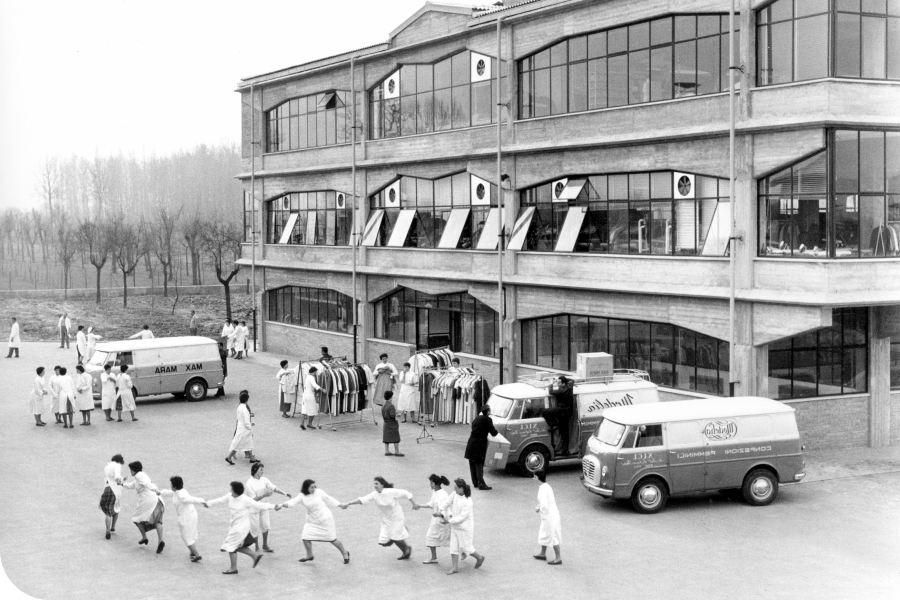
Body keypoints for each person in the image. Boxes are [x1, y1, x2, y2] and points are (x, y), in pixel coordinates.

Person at [203, 481, 274, 575]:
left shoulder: (245, 499)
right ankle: (255, 556)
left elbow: (260, 505)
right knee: (238, 546)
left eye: (231, 489)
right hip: (235, 526)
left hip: (241, 528)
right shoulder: (230, 496)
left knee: (231, 546)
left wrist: (275, 506)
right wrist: (208, 503)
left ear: (236, 492)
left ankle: (233, 568)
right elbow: (220, 500)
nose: (230, 490)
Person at [340, 476, 415, 560]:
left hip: (397, 516)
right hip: (386, 518)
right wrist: (348, 503)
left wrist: (414, 504)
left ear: (382, 484)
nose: (375, 485)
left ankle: (406, 549)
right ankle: (402, 531)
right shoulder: (374, 495)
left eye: (377, 483)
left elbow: (406, 493)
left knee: (394, 536)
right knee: (384, 543)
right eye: (374, 484)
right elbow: (362, 500)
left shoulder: (390, 492)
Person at [275, 479, 350, 564]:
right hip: (312, 521)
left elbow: (329, 499)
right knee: (305, 537)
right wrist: (281, 505)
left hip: (325, 519)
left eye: (315, 486)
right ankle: (309, 555)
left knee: (332, 539)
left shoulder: (319, 492)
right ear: (306, 488)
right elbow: (292, 502)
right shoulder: (302, 496)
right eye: (312, 487)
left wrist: (340, 505)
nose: (314, 489)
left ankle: (345, 552)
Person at [245, 463, 291, 553]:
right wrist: (264, 495)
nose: (262, 471)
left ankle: (265, 545)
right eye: (261, 469)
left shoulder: (264, 479)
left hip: (264, 506)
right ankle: (257, 547)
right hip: (254, 508)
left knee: (265, 526)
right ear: (255, 470)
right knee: (255, 528)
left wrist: (284, 493)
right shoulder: (249, 484)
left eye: (263, 469)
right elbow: (253, 500)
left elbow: (273, 488)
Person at [442, 478, 485, 574]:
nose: (454, 490)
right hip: (455, 526)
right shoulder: (455, 493)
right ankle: (455, 567)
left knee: (466, 548)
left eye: (456, 488)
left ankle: (479, 557)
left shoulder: (468, 501)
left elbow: (461, 518)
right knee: (453, 547)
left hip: (465, 528)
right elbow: (447, 501)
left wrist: (449, 521)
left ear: (462, 488)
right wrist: (440, 509)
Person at [159, 476, 206, 562]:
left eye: (171, 484)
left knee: (185, 536)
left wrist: (202, 501)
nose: (170, 486)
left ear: (175, 486)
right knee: (190, 534)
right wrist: (159, 492)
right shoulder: (179, 492)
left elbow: (191, 499)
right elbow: (169, 493)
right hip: (191, 514)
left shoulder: (181, 496)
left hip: (186, 517)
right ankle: (192, 552)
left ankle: (196, 554)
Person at [122, 461, 166, 553]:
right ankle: (160, 541)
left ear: (134, 470)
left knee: (136, 519)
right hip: (157, 499)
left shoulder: (139, 476)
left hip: (148, 500)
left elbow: (147, 484)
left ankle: (144, 537)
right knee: (157, 521)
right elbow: (131, 485)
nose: (130, 471)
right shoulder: (140, 476)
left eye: (131, 470)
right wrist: (121, 484)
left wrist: (156, 489)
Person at [414, 474, 451, 565]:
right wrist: (420, 506)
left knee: (450, 539)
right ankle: (434, 557)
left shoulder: (442, 495)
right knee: (431, 537)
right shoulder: (435, 492)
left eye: (431, 483)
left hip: (442, 521)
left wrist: (439, 515)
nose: (430, 485)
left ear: (434, 484)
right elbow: (432, 504)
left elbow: (444, 509)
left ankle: (465, 551)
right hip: (436, 521)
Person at [464, 405, 498, 490]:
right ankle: (481, 484)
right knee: (479, 464)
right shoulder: (488, 420)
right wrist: (497, 432)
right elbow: (493, 433)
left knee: (472, 462)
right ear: (488, 412)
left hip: (471, 442)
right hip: (479, 444)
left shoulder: (477, 418)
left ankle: (475, 482)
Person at [533, 470, 562, 565]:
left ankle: (558, 558)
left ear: (537, 477)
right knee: (544, 533)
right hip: (552, 514)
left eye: (534, 476)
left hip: (549, 516)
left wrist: (538, 509)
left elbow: (544, 505)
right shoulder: (547, 486)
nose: (533, 478)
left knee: (552, 535)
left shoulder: (542, 489)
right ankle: (542, 553)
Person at [544, 375, 575, 455]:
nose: (557, 384)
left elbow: (550, 391)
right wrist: (562, 379)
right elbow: (572, 380)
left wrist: (551, 383)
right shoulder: (569, 386)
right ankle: (565, 449)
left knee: (544, 412)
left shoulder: (561, 390)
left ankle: (552, 423)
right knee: (565, 431)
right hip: (568, 412)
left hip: (562, 411)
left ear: (563, 384)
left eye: (559, 383)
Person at [225, 390, 257, 465]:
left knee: (248, 442)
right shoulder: (245, 409)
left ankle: (251, 457)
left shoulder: (239, 407)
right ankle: (229, 457)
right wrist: (250, 426)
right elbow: (246, 421)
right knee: (240, 443)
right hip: (244, 429)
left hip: (240, 427)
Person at [99, 454, 125, 540]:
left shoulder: (107, 467)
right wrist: (121, 480)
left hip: (106, 488)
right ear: (120, 461)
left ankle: (107, 530)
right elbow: (117, 476)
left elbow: (110, 478)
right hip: (115, 490)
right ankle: (113, 526)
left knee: (107, 512)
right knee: (116, 507)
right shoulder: (117, 465)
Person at [381, 391, 402, 456]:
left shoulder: (384, 405)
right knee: (396, 437)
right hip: (392, 423)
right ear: (390, 397)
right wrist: (397, 414)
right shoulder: (391, 406)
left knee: (386, 437)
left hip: (386, 423)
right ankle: (396, 451)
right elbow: (392, 415)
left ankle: (386, 450)